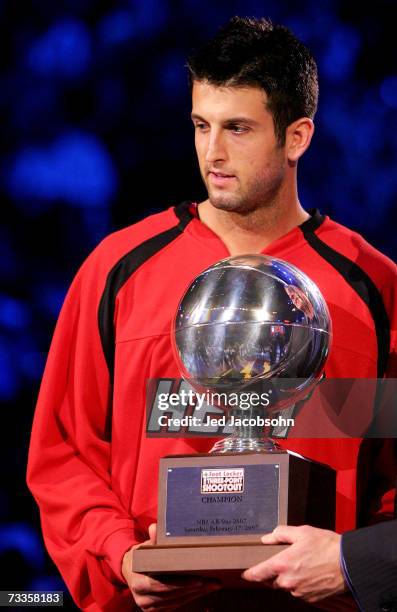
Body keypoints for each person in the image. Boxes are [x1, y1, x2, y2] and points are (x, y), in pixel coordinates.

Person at [27, 17, 397, 611]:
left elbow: (389, 471)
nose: (212, 153)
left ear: (297, 136)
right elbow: (64, 449)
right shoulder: (119, 269)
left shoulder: (373, 285)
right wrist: (120, 555)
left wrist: (355, 566)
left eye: (239, 129)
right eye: (202, 126)